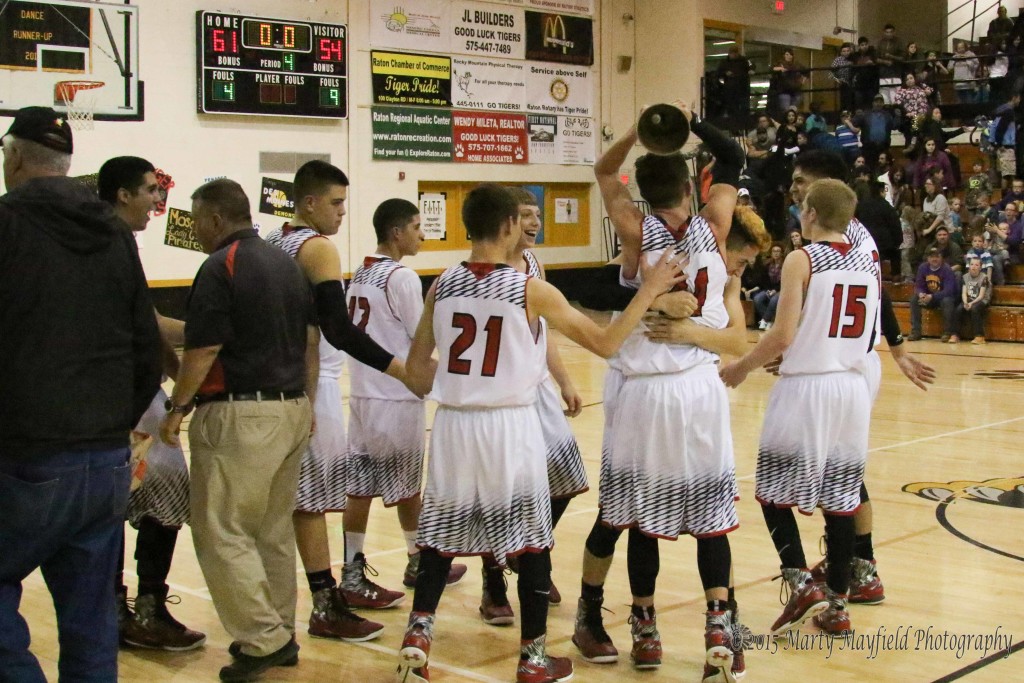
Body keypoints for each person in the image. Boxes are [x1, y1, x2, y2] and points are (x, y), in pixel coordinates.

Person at [395, 183, 686, 683]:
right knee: (531, 541)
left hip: (452, 427)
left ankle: (417, 636)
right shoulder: (529, 288)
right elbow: (607, 341)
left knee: (439, 538)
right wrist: (650, 290)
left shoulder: (441, 285)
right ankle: (532, 658)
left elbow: (420, 376)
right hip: (509, 425)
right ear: (509, 224)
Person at [577, 101, 759, 683]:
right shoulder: (718, 224)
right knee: (710, 515)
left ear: (644, 189)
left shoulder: (633, 229)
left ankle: (646, 624)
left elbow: (605, 173)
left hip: (646, 389)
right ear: (692, 185)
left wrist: (642, 129)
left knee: (636, 515)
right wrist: (688, 122)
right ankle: (719, 626)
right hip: (698, 386)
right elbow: (732, 154)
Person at [0, 106, 162, 683]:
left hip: (28, 457)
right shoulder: (115, 235)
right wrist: (116, 421)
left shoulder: (7, 224)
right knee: (92, 625)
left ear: (13, 156)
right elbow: (147, 344)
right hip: (105, 459)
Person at [158, 179, 317, 681]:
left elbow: (203, 350)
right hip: (291, 409)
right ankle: (279, 632)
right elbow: (311, 339)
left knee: (221, 529)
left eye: (197, 219)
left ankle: (261, 640)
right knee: (271, 531)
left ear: (213, 219)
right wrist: (307, 401)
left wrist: (178, 406)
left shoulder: (219, 265)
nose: (197, 230)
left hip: (240, 415)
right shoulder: (286, 264)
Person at [722, 178, 879, 638]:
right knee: (842, 501)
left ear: (809, 213)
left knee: (772, 494)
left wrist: (744, 367)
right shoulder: (867, 261)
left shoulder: (802, 258)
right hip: (851, 387)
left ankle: (798, 579)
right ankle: (838, 606)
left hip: (808, 388)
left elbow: (784, 332)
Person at [263, 161, 413, 639]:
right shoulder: (317, 248)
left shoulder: (272, 241)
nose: (343, 212)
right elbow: (336, 330)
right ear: (309, 203)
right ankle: (326, 601)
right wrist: (401, 370)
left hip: (275, 382)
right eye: (336, 202)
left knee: (291, 503)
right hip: (313, 385)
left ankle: (309, 600)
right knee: (310, 501)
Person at [784, 151, 936, 606]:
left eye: (799, 181)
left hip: (843, 361)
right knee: (842, 468)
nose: (793, 188)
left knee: (840, 470)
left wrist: (898, 347)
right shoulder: (838, 233)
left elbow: (876, 296)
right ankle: (854, 561)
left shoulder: (846, 235)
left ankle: (857, 564)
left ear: (824, 184)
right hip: (841, 357)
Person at [96, 156, 206, 651]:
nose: (158, 201)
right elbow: (148, 324)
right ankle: (136, 607)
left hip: (132, 395)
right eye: (149, 190)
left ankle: (129, 606)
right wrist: (208, 340)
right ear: (122, 194)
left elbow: (149, 321)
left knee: (138, 495)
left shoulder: (116, 243)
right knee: (154, 490)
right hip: (118, 398)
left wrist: (183, 378)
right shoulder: (105, 242)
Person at [908, 247, 958, 341]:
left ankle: (947, 332)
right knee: (914, 299)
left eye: (937, 257)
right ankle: (916, 332)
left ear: (941, 258)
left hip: (941, 299)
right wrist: (921, 294)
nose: (934, 259)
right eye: (932, 257)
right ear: (928, 258)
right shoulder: (923, 267)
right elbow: (918, 285)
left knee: (948, 301)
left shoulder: (947, 269)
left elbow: (949, 290)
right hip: (928, 298)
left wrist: (932, 296)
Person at [849, 96, 893, 166]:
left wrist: (898, 116)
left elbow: (895, 126)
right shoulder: (865, 114)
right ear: (873, 103)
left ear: (883, 104)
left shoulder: (888, 115)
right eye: (876, 102)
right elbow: (854, 123)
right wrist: (857, 116)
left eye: (880, 102)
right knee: (869, 168)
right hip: (868, 148)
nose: (878, 104)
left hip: (883, 147)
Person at [990, 93, 1020, 188]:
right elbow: (1000, 129)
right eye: (1019, 98)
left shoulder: (1001, 109)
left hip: (1003, 147)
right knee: (1008, 175)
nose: (1020, 101)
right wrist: (999, 144)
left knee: (1006, 173)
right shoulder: (1008, 111)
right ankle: (1008, 197)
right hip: (1006, 147)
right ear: (1014, 98)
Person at [717, 46, 755, 119]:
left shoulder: (744, 60)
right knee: (732, 106)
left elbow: (752, 65)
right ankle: (732, 118)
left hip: (743, 87)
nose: (733, 55)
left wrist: (751, 70)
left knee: (744, 105)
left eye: (735, 53)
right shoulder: (724, 62)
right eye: (732, 53)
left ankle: (744, 118)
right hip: (730, 88)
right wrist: (725, 73)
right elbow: (718, 72)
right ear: (729, 53)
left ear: (737, 53)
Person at [753, 243, 784, 329]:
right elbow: (764, 280)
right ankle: (769, 321)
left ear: (781, 253)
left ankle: (764, 321)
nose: (776, 253)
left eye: (778, 251)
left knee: (773, 300)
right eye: (774, 251)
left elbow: (784, 281)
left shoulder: (785, 265)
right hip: (768, 288)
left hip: (781, 289)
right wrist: (768, 290)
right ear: (771, 253)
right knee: (757, 299)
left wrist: (775, 290)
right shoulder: (767, 265)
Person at [877, 24, 904, 103]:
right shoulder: (880, 42)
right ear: (884, 32)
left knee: (896, 99)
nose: (889, 34)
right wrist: (885, 62)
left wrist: (891, 56)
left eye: (891, 32)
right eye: (887, 32)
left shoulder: (899, 42)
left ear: (894, 32)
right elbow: (876, 58)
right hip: (883, 73)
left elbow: (902, 58)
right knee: (885, 98)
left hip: (895, 72)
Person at [947, 40, 980, 104]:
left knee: (969, 104)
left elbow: (975, 67)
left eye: (962, 47)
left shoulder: (971, 55)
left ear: (965, 47)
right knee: (959, 104)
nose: (960, 49)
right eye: (959, 48)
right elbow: (949, 68)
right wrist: (955, 59)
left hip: (968, 84)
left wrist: (966, 58)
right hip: (958, 84)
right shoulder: (954, 57)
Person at [852, 38, 880, 110]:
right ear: (859, 46)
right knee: (858, 104)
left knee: (871, 104)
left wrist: (872, 63)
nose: (864, 46)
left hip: (871, 84)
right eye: (862, 45)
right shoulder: (855, 55)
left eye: (866, 44)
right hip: (859, 84)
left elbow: (877, 66)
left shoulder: (873, 54)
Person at [831, 43, 856, 113]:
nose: (846, 53)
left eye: (848, 51)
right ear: (841, 52)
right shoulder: (838, 60)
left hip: (853, 82)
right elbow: (830, 72)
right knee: (845, 101)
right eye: (844, 51)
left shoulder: (853, 59)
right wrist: (837, 79)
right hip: (843, 83)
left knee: (853, 101)